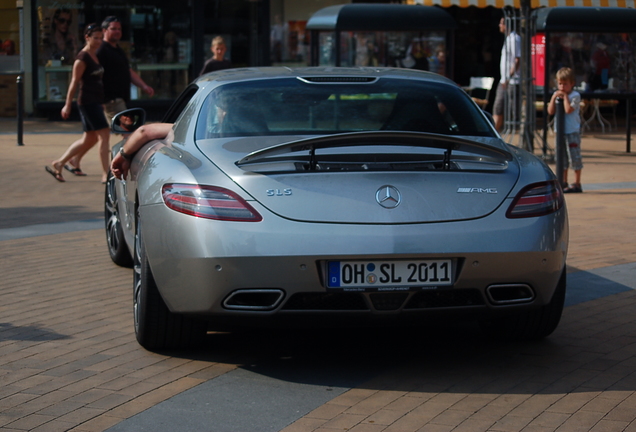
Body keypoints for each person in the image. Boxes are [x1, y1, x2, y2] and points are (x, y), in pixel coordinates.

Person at [65, 16, 155, 179]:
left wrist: (143, 86)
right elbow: (78, 81)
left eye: (119, 29)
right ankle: (114, 170)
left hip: (112, 100)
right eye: (113, 29)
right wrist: (68, 104)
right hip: (107, 101)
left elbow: (127, 72)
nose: (117, 32)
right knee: (127, 133)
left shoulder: (113, 50)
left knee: (90, 138)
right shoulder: (96, 52)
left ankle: (70, 160)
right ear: (103, 31)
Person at [45, 24, 110, 183]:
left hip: (95, 101)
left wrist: (101, 101)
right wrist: (67, 104)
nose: (99, 41)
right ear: (87, 38)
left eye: (101, 38)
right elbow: (74, 82)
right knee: (104, 134)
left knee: (89, 139)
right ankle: (106, 174)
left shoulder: (95, 55)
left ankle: (60, 163)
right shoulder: (82, 58)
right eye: (95, 38)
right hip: (87, 102)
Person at [547, 67, 583, 193]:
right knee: (562, 158)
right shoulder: (557, 95)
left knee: (574, 157)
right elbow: (550, 111)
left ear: (572, 84)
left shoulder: (575, 96)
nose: (562, 87)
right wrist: (554, 98)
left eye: (565, 84)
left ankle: (577, 183)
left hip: (572, 131)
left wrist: (565, 97)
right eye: (560, 83)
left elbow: (568, 110)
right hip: (560, 131)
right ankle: (563, 181)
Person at [493, 16, 521, 132]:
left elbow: (517, 59)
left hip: (511, 81)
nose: (499, 26)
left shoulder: (514, 39)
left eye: (501, 23)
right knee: (498, 107)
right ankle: (495, 132)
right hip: (505, 80)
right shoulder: (509, 38)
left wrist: (509, 77)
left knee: (511, 109)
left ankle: (514, 133)